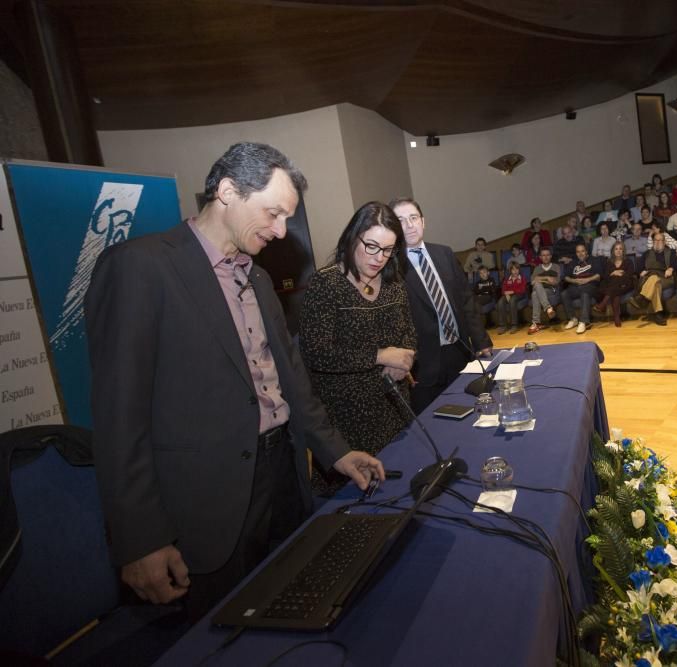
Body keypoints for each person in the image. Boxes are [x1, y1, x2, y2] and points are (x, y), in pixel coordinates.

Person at [85, 142, 384, 620]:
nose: (282, 230)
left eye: (287, 217)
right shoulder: (140, 267)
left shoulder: (260, 280)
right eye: (273, 213)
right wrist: (139, 538)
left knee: (290, 612)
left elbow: (290, 383)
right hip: (207, 504)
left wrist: (337, 451)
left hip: (284, 480)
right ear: (227, 191)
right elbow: (120, 417)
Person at [300, 202, 416, 497]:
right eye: (372, 246)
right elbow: (315, 352)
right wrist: (380, 355)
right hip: (347, 422)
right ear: (353, 237)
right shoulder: (325, 285)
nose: (380, 258)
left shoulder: (394, 283)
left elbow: (409, 335)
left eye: (389, 250)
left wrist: (405, 358)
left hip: (394, 410)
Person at [392, 197, 492, 413]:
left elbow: (466, 300)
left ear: (423, 221)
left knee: (472, 412)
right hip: (424, 364)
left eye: (413, 218)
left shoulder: (444, 253)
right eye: (400, 220)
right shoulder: (391, 267)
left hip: (460, 351)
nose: (409, 225)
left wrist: (481, 341)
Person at [628, 232, 677, 326]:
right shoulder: (646, 253)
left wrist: (671, 268)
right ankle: (658, 314)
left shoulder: (670, 252)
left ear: (664, 241)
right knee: (655, 284)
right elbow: (639, 268)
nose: (658, 242)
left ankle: (642, 299)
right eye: (656, 240)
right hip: (649, 278)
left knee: (655, 279)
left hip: (665, 278)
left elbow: (675, 264)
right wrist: (642, 271)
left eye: (660, 240)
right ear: (653, 241)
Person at [592, 241, 634, 328]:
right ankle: (616, 317)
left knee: (616, 281)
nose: (618, 251)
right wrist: (613, 273)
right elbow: (605, 277)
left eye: (620, 249)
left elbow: (629, 275)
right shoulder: (609, 262)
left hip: (625, 285)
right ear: (613, 251)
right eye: (616, 249)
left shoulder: (628, 261)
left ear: (623, 251)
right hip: (614, 286)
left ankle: (603, 304)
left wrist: (620, 274)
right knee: (615, 290)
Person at [562, 243, 602, 334]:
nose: (580, 254)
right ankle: (573, 319)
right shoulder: (573, 263)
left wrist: (588, 279)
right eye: (578, 252)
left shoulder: (594, 260)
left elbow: (599, 275)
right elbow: (565, 277)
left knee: (585, 292)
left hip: (591, 286)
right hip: (576, 285)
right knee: (564, 294)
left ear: (586, 251)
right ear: (576, 253)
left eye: (582, 251)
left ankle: (583, 321)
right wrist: (574, 281)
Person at [528, 248, 561, 334]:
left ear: (550, 256)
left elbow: (555, 282)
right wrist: (546, 278)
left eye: (547, 255)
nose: (545, 257)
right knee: (536, 290)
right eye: (543, 255)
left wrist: (539, 279)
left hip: (551, 290)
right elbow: (532, 282)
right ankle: (548, 308)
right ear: (540, 257)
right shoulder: (537, 268)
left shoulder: (556, 267)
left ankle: (536, 323)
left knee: (535, 291)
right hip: (541, 291)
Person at [496, 262, 527, 334]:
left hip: (519, 295)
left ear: (519, 270)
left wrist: (512, 292)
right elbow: (503, 290)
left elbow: (522, 289)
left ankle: (514, 325)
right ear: (510, 271)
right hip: (508, 295)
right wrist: (506, 294)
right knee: (500, 301)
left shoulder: (522, 278)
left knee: (512, 300)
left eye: (517, 269)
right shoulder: (507, 279)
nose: (515, 271)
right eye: (513, 269)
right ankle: (503, 325)